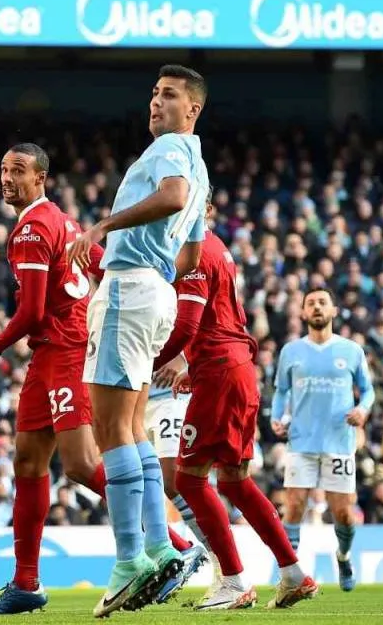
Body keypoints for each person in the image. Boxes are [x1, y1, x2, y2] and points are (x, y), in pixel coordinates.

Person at [66, 64, 211, 617]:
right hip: (157, 291)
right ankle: (158, 548)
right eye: (153, 93)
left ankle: (130, 561)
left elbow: (172, 197)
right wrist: (152, 264)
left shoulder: (171, 150)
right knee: (131, 428)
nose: (156, 102)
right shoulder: (200, 165)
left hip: (130, 291)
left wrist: (105, 229)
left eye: (168, 95)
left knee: (109, 429)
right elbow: (191, 255)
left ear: (191, 109)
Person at [153, 202, 317, 609]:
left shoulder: (194, 251)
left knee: (189, 480)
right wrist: (195, 367)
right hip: (235, 366)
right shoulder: (217, 246)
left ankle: (233, 580)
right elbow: (222, 318)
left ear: (203, 207)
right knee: (234, 481)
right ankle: (293, 573)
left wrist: (147, 362)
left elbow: (187, 324)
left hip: (221, 372)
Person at [271, 288, 376, 594]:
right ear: (303, 312)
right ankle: (290, 574)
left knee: (343, 513)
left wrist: (362, 409)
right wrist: (277, 417)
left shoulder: (351, 350)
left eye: (322, 303)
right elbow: (281, 391)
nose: (317, 307)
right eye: (311, 303)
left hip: (339, 442)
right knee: (294, 506)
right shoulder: (291, 351)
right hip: (301, 441)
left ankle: (343, 556)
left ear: (333, 311)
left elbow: (368, 391)